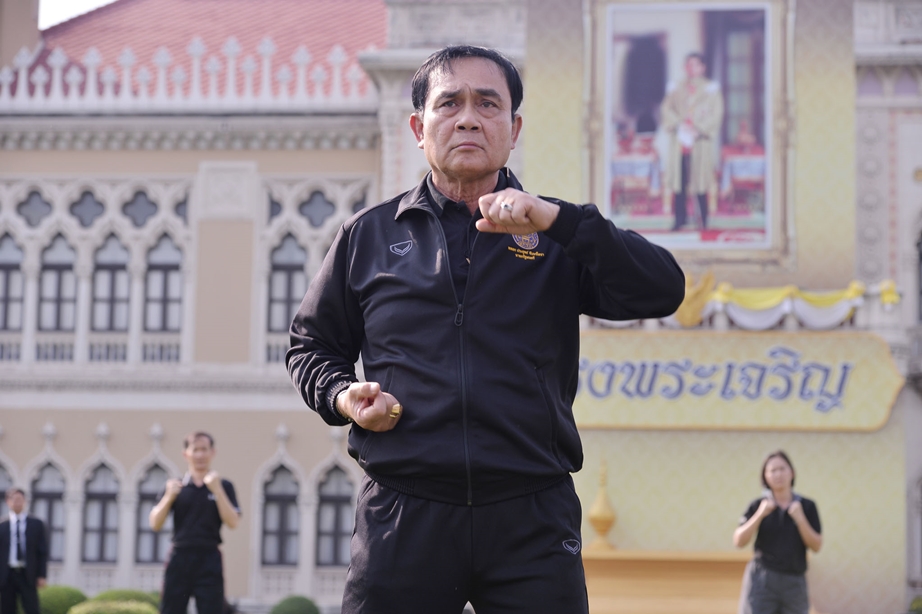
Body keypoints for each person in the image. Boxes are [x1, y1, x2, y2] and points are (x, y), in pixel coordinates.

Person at [287, 45, 685, 614]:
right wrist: (342, 395)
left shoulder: (554, 234)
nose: (468, 117)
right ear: (417, 127)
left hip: (532, 517)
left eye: (488, 103)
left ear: (514, 128)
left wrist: (559, 218)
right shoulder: (367, 237)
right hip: (404, 513)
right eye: (449, 102)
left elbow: (663, 288)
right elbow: (311, 347)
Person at [149, 432, 240, 614]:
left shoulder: (224, 486)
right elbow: (155, 523)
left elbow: (233, 522)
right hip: (180, 556)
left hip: (209, 558)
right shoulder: (175, 486)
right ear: (186, 454)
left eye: (204, 450)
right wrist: (168, 496)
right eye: (195, 450)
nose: (200, 455)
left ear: (212, 452)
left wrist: (217, 490)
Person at [733, 451, 822, 614]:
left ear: (792, 472)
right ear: (765, 476)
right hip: (762, 579)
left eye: (782, 469)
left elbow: (816, 546)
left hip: (794, 581)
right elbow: (739, 541)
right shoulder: (757, 505)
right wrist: (760, 514)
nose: (778, 474)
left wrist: (800, 518)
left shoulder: (807, 506)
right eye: (772, 470)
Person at [660, 52, 724, 231]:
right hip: (679, 141)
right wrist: (679, 125)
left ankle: (703, 219)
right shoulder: (676, 87)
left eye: (695, 65)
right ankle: (679, 219)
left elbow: (716, 113)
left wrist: (698, 128)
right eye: (688, 65)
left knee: (700, 180)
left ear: (703, 67)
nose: (691, 69)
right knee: (679, 182)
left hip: (700, 141)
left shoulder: (711, 88)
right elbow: (666, 108)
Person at [0, 488, 48, 614]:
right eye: (14, 500)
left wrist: (42, 575)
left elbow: (42, 552)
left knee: (32, 609)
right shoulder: (1, 525)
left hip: (27, 574)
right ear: (8, 502)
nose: (17, 502)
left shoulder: (36, 524)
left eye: (20, 499)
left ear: (25, 501)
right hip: (6, 575)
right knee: (6, 609)